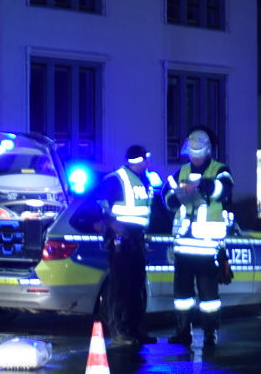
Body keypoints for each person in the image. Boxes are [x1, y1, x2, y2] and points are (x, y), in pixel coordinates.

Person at [164, 128, 233, 349]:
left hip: (207, 247)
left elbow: (224, 189)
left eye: (198, 153)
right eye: (191, 153)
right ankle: (183, 331)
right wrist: (175, 198)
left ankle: (210, 334)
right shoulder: (181, 171)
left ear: (207, 151)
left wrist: (201, 185)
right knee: (182, 295)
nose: (194, 157)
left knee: (209, 297)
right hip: (183, 247)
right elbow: (165, 195)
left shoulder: (219, 170)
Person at [95, 145, 162, 348]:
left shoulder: (145, 179)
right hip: (120, 241)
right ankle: (118, 330)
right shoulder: (116, 179)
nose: (148, 163)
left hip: (137, 240)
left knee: (137, 287)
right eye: (145, 160)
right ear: (136, 161)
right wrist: (112, 224)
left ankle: (135, 328)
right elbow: (98, 202)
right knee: (120, 287)